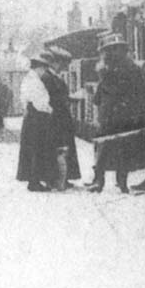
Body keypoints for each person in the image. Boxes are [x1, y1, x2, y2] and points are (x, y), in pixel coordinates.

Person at [87, 32, 145, 193]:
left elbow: (141, 92)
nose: (114, 53)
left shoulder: (132, 70)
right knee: (104, 149)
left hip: (123, 115)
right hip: (109, 115)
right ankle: (100, 181)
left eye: (117, 49)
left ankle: (120, 182)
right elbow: (99, 95)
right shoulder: (105, 71)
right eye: (111, 50)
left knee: (122, 150)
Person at [15, 53, 58, 192]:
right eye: (43, 69)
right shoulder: (35, 82)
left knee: (32, 148)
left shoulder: (28, 79)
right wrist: (50, 110)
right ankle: (34, 181)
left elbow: (24, 99)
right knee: (37, 149)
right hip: (38, 117)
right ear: (39, 68)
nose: (44, 72)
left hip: (31, 116)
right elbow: (40, 102)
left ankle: (33, 179)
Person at [44, 46, 82, 189]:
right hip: (57, 119)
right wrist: (70, 98)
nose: (63, 68)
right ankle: (58, 179)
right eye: (62, 64)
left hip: (61, 118)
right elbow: (54, 98)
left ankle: (63, 178)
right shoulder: (49, 78)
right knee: (60, 148)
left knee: (63, 147)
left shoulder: (54, 77)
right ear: (55, 63)